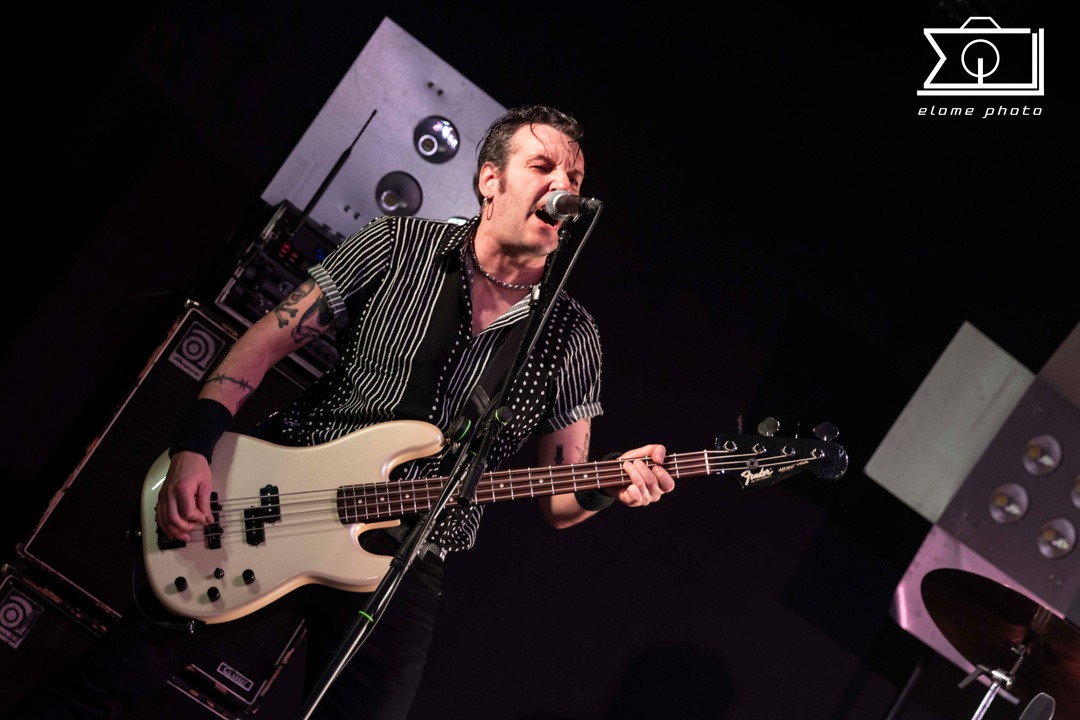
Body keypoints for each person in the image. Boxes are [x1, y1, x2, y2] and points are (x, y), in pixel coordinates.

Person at [9, 104, 675, 719]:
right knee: (110, 682)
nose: (563, 187)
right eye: (543, 167)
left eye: (574, 177)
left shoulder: (571, 334)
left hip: (405, 556)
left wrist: (610, 485)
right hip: (279, 500)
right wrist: (196, 446)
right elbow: (265, 342)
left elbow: (561, 497)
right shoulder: (396, 244)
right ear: (489, 181)